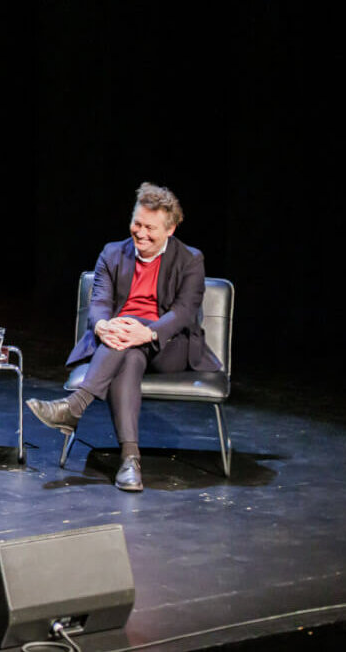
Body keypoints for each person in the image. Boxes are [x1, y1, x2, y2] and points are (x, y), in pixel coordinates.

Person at [27, 183, 221, 492]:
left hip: (169, 347)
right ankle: (130, 461)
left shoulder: (190, 259)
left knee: (130, 333)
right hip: (120, 344)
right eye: (137, 223)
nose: (140, 233)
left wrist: (147, 331)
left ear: (170, 230)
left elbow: (184, 312)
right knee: (129, 351)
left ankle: (74, 407)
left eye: (150, 228)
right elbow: (99, 303)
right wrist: (103, 326)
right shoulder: (112, 253)